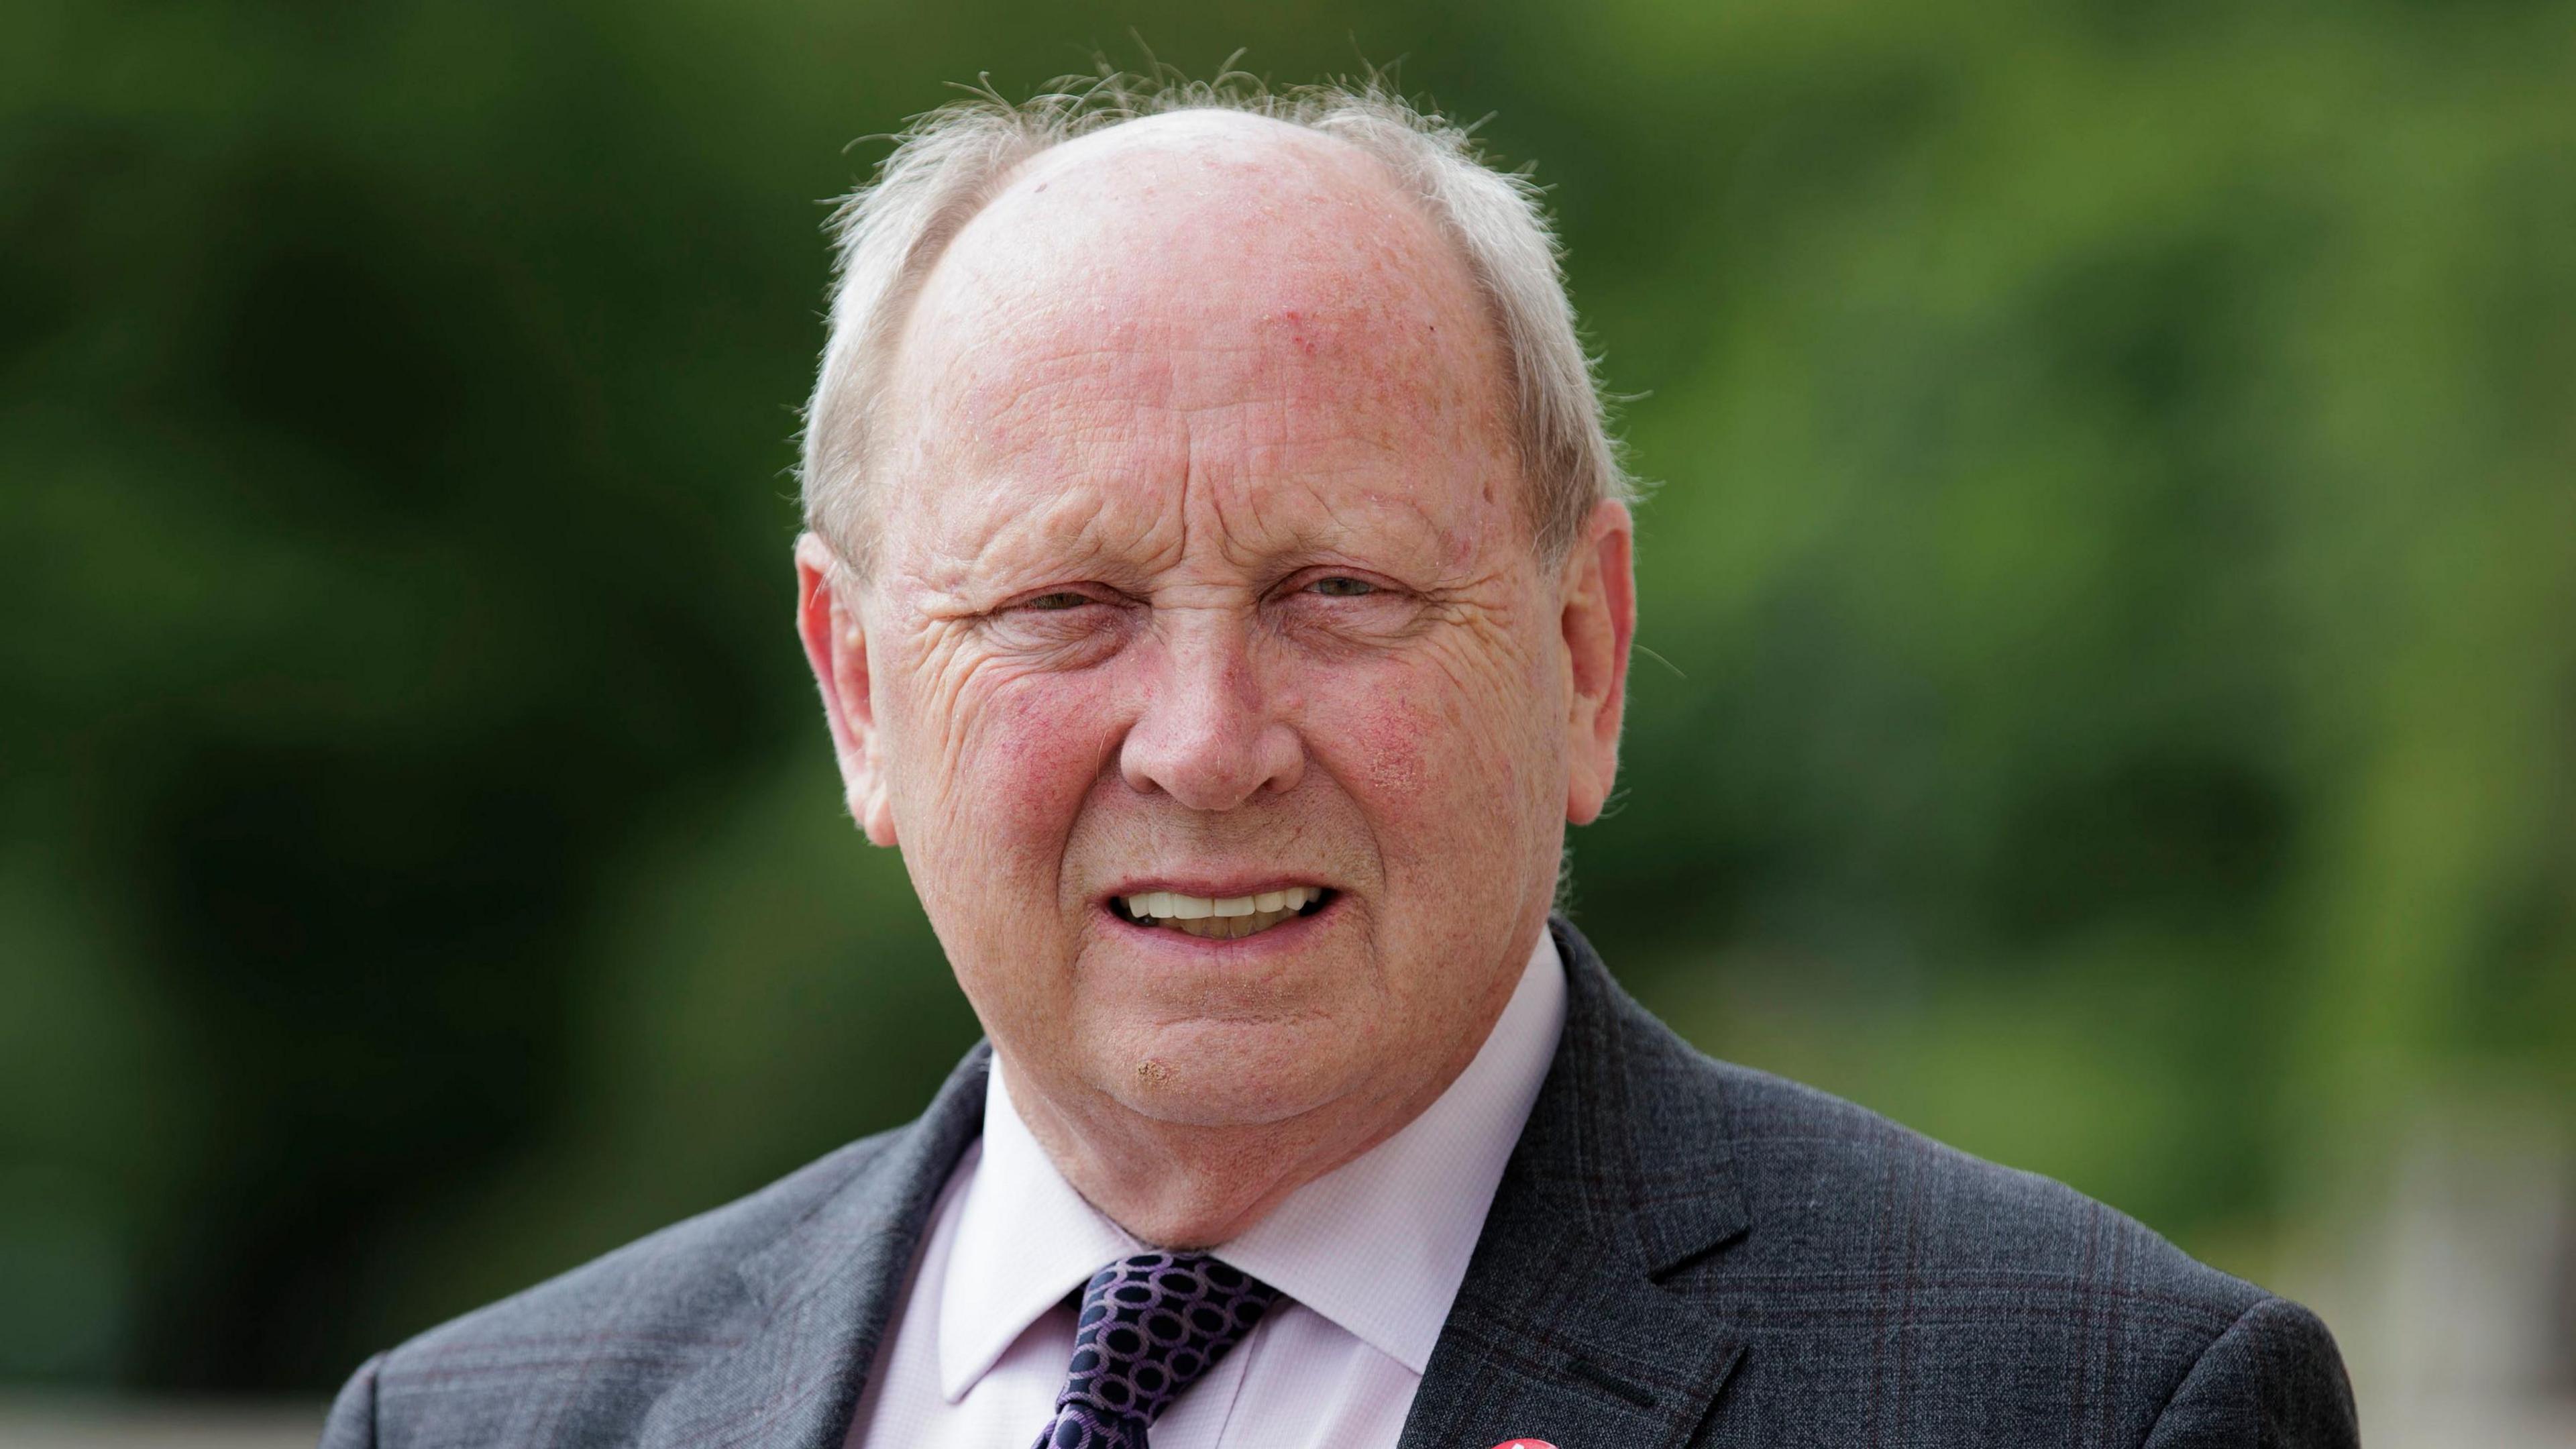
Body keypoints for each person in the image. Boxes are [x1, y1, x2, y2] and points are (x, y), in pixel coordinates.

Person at [320, 76, 2358, 1449]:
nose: (1207, 748)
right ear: (859, 690)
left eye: (1340, 591)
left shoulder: (2085, 1407)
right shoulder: (490, 1422)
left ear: (1582, 655)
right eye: (1064, 605)